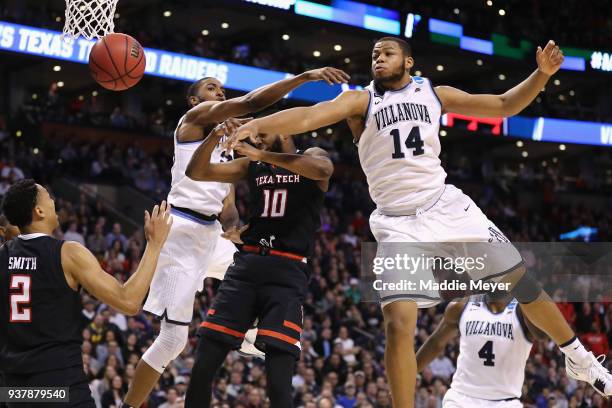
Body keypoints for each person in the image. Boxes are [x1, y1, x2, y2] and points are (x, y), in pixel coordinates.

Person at [231, 37, 612, 406]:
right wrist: (258, 126)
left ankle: (579, 357)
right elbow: (308, 115)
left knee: (521, 283)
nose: (378, 58)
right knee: (398, 324)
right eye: (375, 54)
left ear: (408, 62)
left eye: (388, 53)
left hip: (444, 205)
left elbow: (503, 104)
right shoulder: (360, 100)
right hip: (398, 223)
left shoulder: (434, 93)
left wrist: (542, 74)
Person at [124, 66, 349, 407]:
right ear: (194, 100)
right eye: (212, 89)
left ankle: (251, 336)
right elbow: (252, 102)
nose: (220, 93)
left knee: (258, 268)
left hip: (212, 234)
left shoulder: (230, 147)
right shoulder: (194, 120)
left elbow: (226, 204)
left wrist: (235, 228)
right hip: (181, 232)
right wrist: (302, 79)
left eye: (220, 89)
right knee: (172, 341)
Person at [182, 120, 334, 408]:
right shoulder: (252, 166)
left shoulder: (312, 155)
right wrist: (215, 136)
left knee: (278, 384)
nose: (258, 141)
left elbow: (324, 171)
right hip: (247, 267)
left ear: (285, 131)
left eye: (263, 134)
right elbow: (197, 171)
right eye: (256, 137)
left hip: (287, 273)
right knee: (202, 367)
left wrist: (261, 154)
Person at [0, 179, 171, 407]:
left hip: (14, 393)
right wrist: (154, 244)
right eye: (49, 198)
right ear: (39, 211)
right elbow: (129, 301)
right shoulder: (68, 253)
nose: (54, 201)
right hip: (60, 386)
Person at [416, 294, 547, 407]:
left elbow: (542, 334)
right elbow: (436, 343)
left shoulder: (522, 309)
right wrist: (409, 373)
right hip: (461, 398)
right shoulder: (461, 306)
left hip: (505, 401)